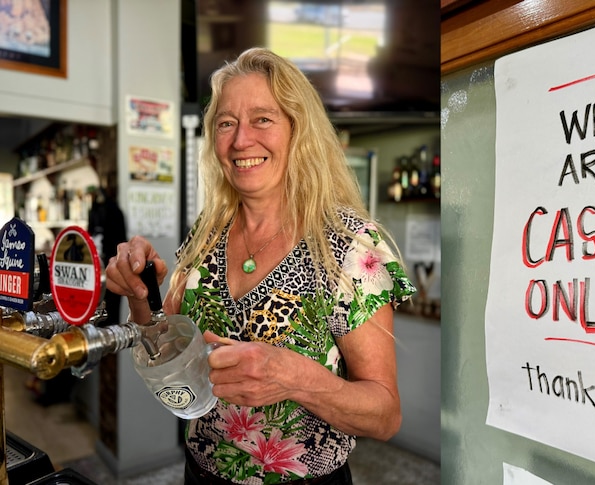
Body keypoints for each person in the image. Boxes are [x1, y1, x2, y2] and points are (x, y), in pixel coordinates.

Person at [105, 47, 416, 484]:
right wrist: (143, 296)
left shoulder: (349, 246)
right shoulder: (207, 233)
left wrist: (296, 379)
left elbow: (385, 414)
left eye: (262, 119)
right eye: (226, 123)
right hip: (201, 474)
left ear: (298, 129)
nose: (240, 140)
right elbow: (168, 347)